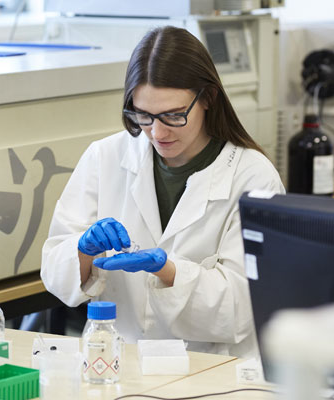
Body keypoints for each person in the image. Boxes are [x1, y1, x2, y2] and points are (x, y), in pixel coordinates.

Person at [41, 26, 285, 357]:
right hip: (118, 362)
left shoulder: (253, 177)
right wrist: (83, 250)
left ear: (208, 98)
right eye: (143, 115)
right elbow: (55, 271)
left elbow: (243, 307)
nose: (157, 132)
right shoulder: (106, 157)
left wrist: (167, 269)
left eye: (173, 115)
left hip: (210, 370)